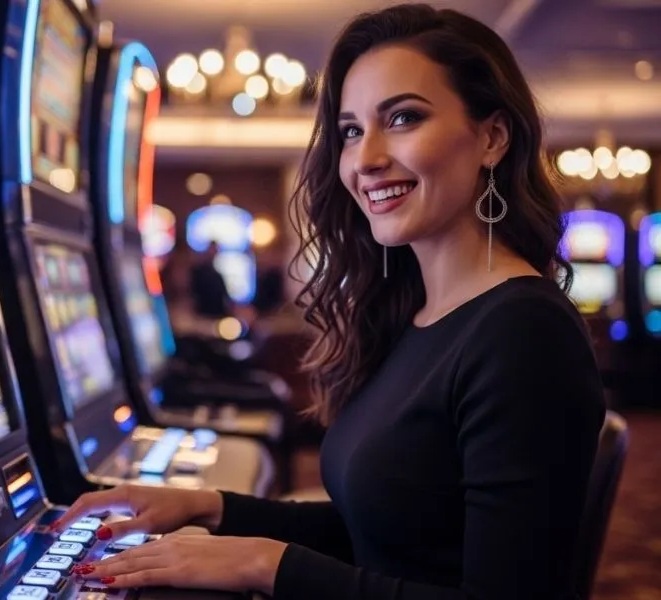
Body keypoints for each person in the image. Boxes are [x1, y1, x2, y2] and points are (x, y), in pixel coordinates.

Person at [51, 4, 605, 598]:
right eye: (351, 131)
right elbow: (387, 533)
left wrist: (264, 564)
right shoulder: (420, 315)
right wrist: (211, 507)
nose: (366, 159)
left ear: (492, 137)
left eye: (403, 118)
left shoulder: (523, 331)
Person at [189, 241, 234, 319]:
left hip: (218, 316)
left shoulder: (217, 276)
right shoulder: (197, 272)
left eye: (215, 250)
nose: (213, 253)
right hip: (200, 317)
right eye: (212, 249)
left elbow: (225, 298)